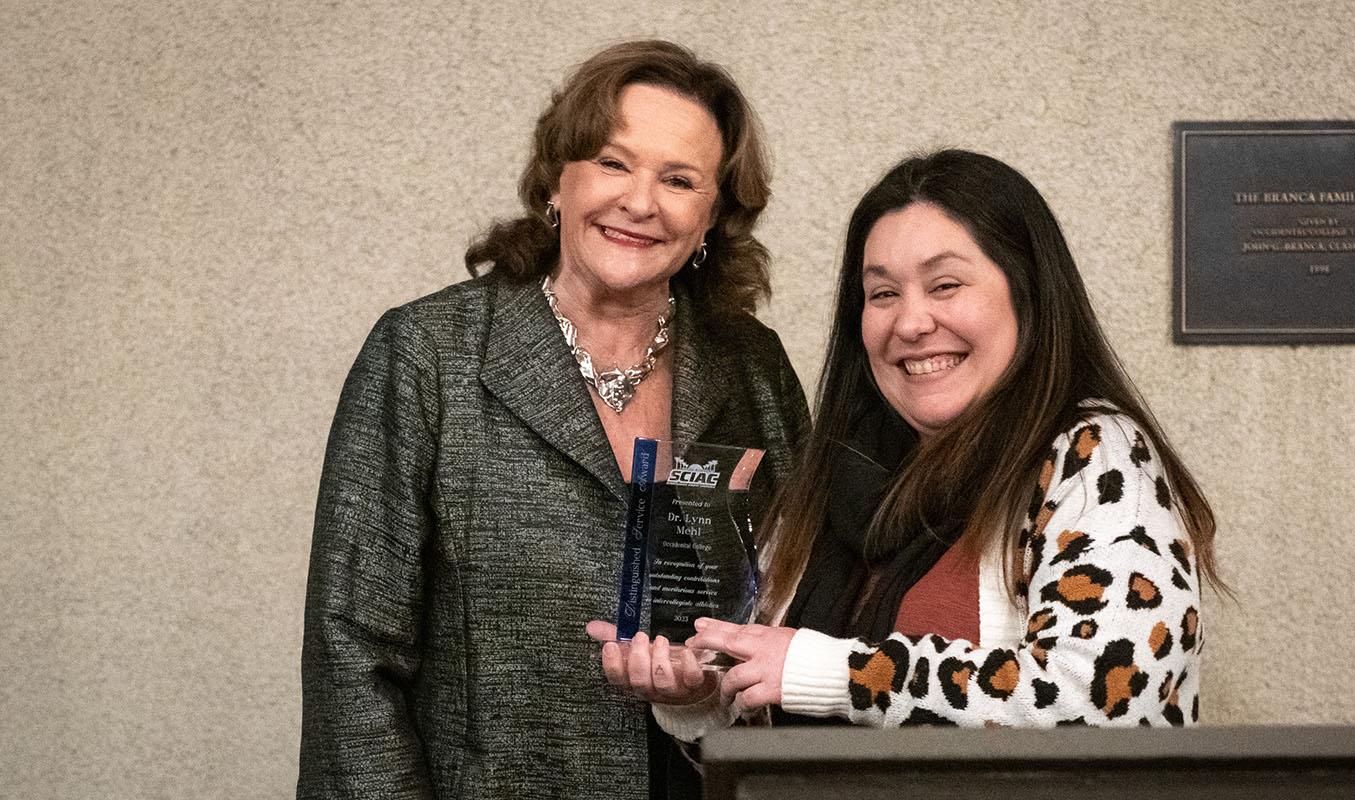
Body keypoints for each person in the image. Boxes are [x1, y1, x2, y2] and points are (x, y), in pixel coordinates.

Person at [297, 40, 810, 800]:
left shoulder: (751, 365)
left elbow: (802, 601)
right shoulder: (428, 355)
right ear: (557, 181)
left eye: (679, 179)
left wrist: (706, 686)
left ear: (712, 217)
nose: (640, 201)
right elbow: (352, 654)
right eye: (613, 163)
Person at [602, 149, 1219, 733]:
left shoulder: (1093, 454)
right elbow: (769, 702)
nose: (912, 322)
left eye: (945, 285)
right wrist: (700, 698)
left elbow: (1101, 701)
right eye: (883, 294)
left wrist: (840, 674)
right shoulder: (827, 481)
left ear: (1028, 295)